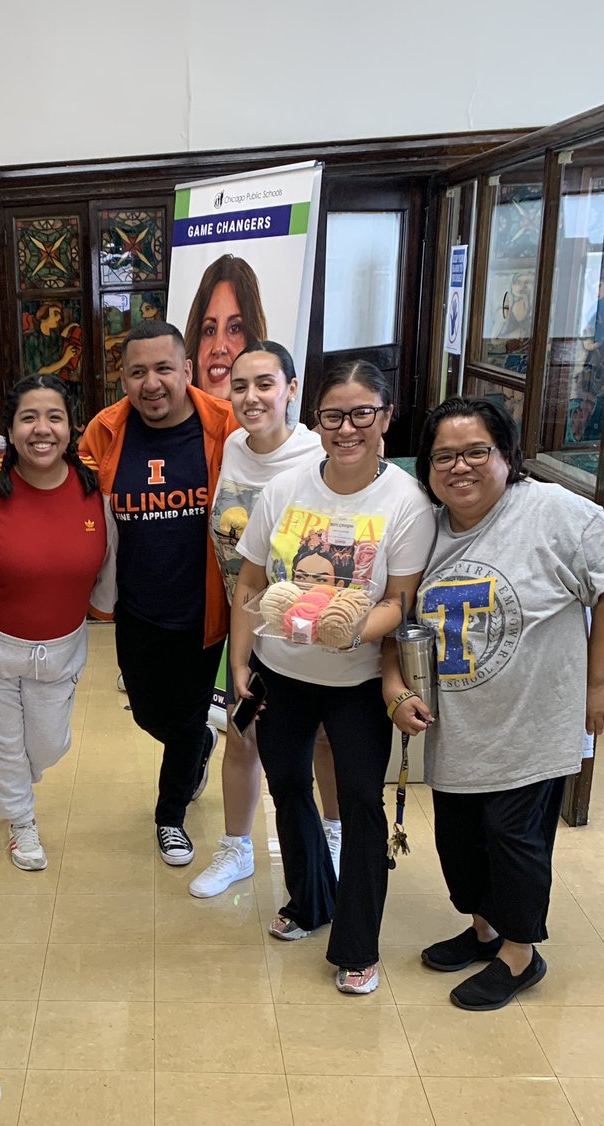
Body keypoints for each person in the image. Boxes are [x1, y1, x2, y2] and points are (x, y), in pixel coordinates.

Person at [385, 397, 604, 1010]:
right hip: (458, 725)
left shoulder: (556, 513)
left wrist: (597, 684)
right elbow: (398, 614)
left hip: (534, 720)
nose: (460, 468)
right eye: (444, 456)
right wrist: (396, 689)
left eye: (477, 452)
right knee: (459, 842)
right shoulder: (426, 525)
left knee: (514, 841)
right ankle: (484, 930)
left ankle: (521, 954)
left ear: (508, 457)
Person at [230, 359, 435, 995]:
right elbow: (251, 582)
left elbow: (400, 602)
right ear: (314, 419)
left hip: (356, 682)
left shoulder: (405, 502)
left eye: (361, 414)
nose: (346, 428)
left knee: (360, 805)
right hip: (282, 671)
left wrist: (347, 630)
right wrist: (240, 661)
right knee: (287, 783)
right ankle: (309, 900)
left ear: (386, 417)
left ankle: (357, 944)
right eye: (332, 416)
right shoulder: (287, 489)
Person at [81, 320, 236, 866]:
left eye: (164, 368)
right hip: (138, 607)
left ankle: (170, 817)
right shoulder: (104, 431)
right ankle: (196, 747)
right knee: (149, 713)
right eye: (138, 371)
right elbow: (76, 502)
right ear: (123, 377)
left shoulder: (226, 425)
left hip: (206, 609)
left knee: (190, 714)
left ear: (187, 370)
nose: (152, 383)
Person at [191, 341, 341, 898]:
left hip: (310, 629)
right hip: (246, 620)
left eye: (265, 384)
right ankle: (236, 849)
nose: (251, 398)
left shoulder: (317, 456)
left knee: (322, 740)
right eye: (239, 386)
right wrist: (239, 649)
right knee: (242, 732)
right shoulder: (231, 445)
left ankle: (334, 838)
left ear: (291, 389)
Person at [0, 374, 113, 870]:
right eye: (29, 418)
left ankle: (18, 778)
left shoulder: (93, 480)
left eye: (55, 417)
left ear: (71, 427)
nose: (42, 430)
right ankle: (21, 821)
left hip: (61, 645)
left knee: (48, 744)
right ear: (10, 428)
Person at [182, 254, 268, 399]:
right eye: (209, 330)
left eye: (234, 328)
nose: (218, 348)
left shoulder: (276, 421)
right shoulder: (169, 419)